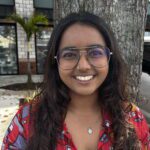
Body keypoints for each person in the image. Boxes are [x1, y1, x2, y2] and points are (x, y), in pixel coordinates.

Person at [2, 12, 150, 150]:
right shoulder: (27, 120)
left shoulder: (131, 117)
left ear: (109, 58)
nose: (83, 66)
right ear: (56, 61)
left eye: (95, 52)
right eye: (70, 54)